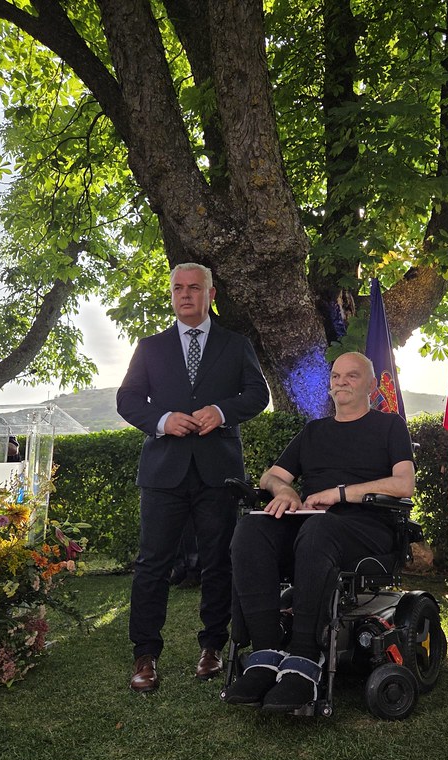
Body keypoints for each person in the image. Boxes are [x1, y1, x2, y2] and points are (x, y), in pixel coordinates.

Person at [222, 352, 415, 712]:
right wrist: (285, 491)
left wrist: (340, 494)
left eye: (352, 375)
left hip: (367, 527)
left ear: (372, 386)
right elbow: (271, 476)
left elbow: (404, 484)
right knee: (252, 527)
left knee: (318, 528)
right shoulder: (313, 431)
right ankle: (265, 656)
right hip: (312, 526)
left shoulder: (390, 426)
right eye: (336, 376)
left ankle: (305, 662)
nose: (341, 381)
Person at [117, 262, 270, 693]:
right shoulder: (150, 347)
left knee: (219, 561)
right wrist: (163, 420)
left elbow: (258, 394)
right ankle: (145, 654)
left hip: (218, 472)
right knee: (152, 564)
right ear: (171, 294)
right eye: (178, 288)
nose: (185, 294)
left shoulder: (236, 344)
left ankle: (213, 647)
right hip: (163, 472)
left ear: (210, 294)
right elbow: (128, 399)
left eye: (194, 288)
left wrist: (221, 411)